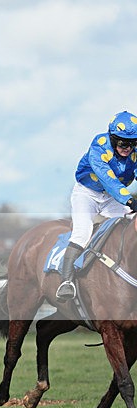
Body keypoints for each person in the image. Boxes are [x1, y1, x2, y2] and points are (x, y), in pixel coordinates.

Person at [56, 110, 137, 301]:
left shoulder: (134, 152)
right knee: (82, 232)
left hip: (111, 198)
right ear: (113, 138)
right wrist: (130, 200)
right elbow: (108, 179)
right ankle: (66, 281)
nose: (128, 148)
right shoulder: (99, 146)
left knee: (130, 226)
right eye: (123, 142)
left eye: (133, 143)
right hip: (87, 194)